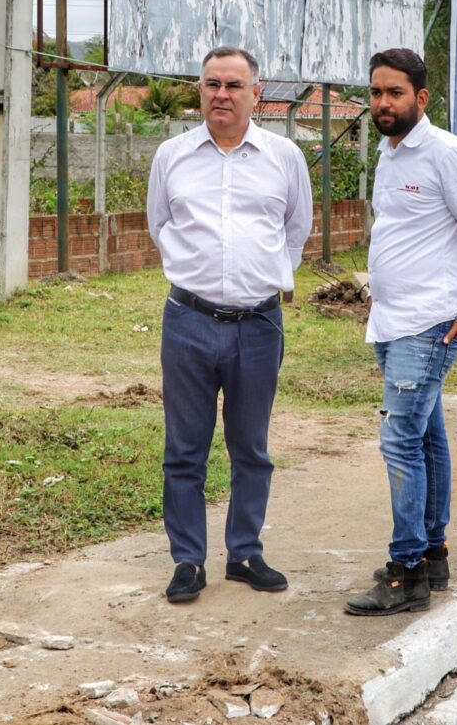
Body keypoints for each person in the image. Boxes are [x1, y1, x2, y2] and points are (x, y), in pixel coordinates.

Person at [345, 48, 457, 617]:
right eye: (375, 92)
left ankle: (406, 572)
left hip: (432, 322)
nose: (382, 103)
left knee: (398, 441)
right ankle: (433, 554)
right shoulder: (389, 155)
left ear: (421, 98)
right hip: (392, 322)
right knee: (426, 436)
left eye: (394, 93)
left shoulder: (447, 153)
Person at [147, 45, 313, 603]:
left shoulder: (284, 157)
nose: (222, 94)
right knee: (184, 451)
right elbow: (160, 224)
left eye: (234, 85)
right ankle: (188, 562)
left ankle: (244, 553)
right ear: (200, 90)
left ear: (255, 94)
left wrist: (264, 279)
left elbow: (296, 229)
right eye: (212, 83)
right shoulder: (171, 156)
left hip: (258, 327)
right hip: (188, 322)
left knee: (251, 448)